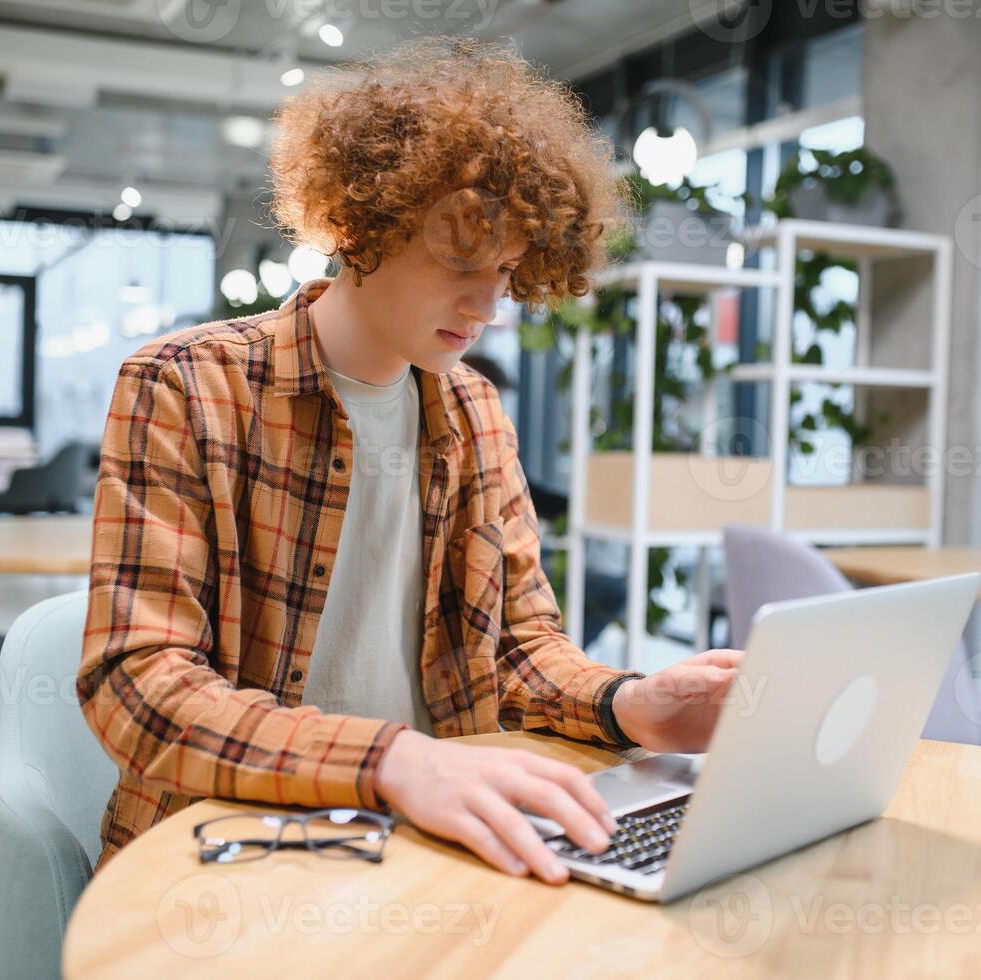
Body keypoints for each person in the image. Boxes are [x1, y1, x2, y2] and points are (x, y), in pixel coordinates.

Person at [77, 38, 741, 885]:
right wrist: (391, 760)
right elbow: (137, 686)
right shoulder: (186, 387)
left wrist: (628, 703)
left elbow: (515, 649)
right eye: (460, 263)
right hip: (229, 847)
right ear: (357, 227)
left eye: (504, 270)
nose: (487, 305)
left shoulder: (472, 413)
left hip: (433, 838)